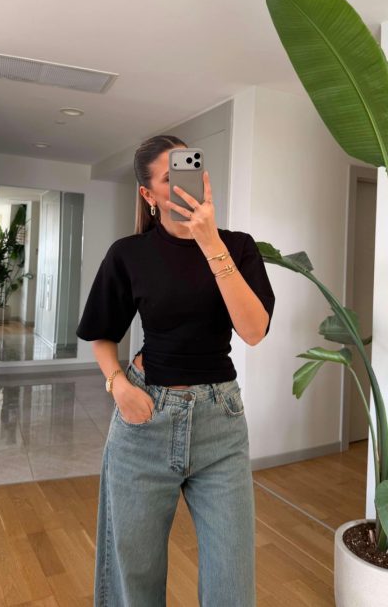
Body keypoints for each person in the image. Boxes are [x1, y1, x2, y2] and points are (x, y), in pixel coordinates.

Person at [76, 134, 275, 607]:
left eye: (191, 170)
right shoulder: (129, 254)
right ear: (148, 194)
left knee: (232, 583)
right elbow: (101, 332)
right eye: (171, 178)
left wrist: (210, 243)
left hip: (220, 423)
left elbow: (253, 331)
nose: (186, 184)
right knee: (134, 578)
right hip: (145, 418)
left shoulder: (238, 247)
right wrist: (117, 385)